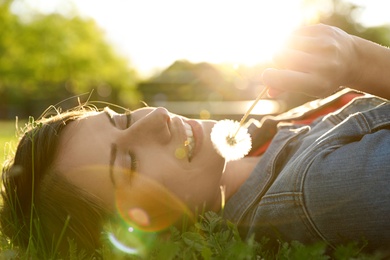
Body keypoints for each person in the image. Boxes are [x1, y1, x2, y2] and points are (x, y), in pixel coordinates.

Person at [1, 24, 390, 257]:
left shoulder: (258, 143)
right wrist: (362, 62)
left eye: (120, 121)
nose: (154, 117)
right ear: (152, 232)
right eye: (130, 163)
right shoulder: (324, 190)